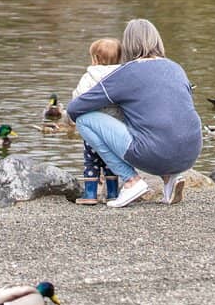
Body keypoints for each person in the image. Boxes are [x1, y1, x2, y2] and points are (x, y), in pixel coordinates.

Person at [67, 19, 202, 208]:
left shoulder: (127, 73)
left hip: (153, 153)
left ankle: (131, 181)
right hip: (191, 150)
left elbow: (75, 108)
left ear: (128, 44)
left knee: (84, 120)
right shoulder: (176, 68)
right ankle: (170, 177)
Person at [73, 38, 123, 205]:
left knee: (91, 161)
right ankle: (113, 193)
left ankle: (90, 194)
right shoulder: (122, 77)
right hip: (115, 129)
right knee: (112, 161)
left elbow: (78, 97)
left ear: (95, 58)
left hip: (93, 130)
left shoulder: (89, 77)